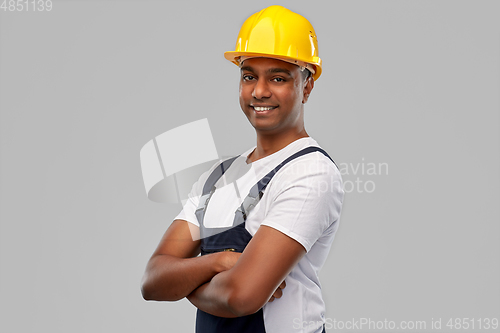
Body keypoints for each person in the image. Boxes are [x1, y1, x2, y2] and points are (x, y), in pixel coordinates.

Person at [141, 5, 344, 333]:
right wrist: (221, 262)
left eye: (278, 78)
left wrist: (186, 281)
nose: (260, 91)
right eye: (249, 75)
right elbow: (153, 281)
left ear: (307, 86)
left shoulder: (310, 174)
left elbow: (240, 296)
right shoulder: (219, 176)